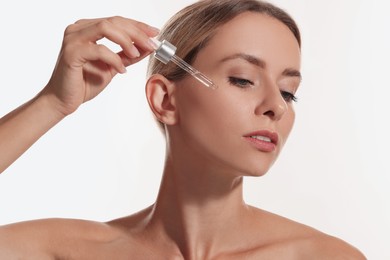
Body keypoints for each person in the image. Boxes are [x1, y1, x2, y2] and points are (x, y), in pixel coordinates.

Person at [0, 0, 365, 259]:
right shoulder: (71, 252)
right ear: (165, 100)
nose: (277, 105)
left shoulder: (324, 256)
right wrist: (52, 103)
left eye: (289, 92)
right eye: (243, 80)